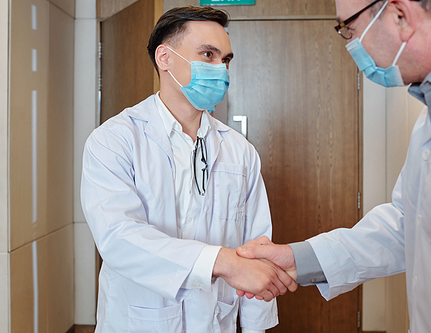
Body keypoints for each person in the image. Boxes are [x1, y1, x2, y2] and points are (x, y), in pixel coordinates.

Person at [236, 0, 431, 331]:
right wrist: (298, 258)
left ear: (399, 15)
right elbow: (406, 223)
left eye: (348, 27)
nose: (351, 43)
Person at [81, 6, 297, 333]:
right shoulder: (115, 140)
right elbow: (119, 238)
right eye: (207, 54)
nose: (220, 69)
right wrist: (222, 262)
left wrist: (256, 328)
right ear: (165, 58)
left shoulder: (239, 151)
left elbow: (257, 250)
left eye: (225, 59)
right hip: (137, 321)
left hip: (214, 322)